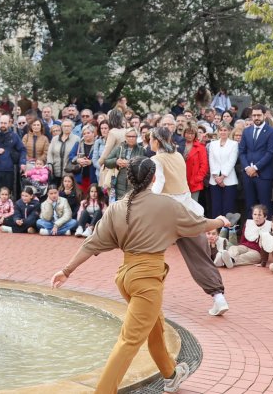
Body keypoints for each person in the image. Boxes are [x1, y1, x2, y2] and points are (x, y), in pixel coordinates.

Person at [53, 158, 229, 393]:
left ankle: (171, 375)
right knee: (129, 341)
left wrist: (66, 271)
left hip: (127, 277)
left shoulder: (116, 207)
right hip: (146, 280)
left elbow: (91, 244)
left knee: (155, 329)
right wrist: (220, 221)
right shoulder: (165, 204)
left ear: (129, 179)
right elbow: (198, 224)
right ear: (153, 178)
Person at [147, 126, 230, 316]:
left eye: (150, 139)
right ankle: (218, 297)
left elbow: (158, 185)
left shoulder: (156, 159)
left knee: (149, 251)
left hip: (167, 213)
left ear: (157, 141)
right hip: (187, 211)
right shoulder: (177, 155)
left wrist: (147, 200)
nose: (149, 141)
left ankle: (146, 296)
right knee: (199, 255)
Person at [206, 124, 238, 219]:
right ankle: (216, 229)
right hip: (214, 180)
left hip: (229, 179)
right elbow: (211, 160)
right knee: (216, 206)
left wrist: (223, 177)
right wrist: (216, 177)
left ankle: (227, 231)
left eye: (225, 130)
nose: (223, 132)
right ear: (218, 131)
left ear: (229, 131)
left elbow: (232, 161)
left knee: (228, 207)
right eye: (221, 130)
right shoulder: (213, 144)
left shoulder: (234, 144)